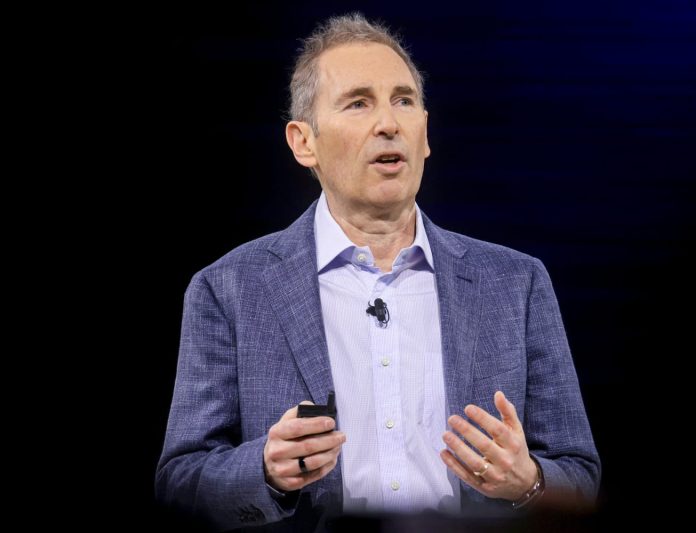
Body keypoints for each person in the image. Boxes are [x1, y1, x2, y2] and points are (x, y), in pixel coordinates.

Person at [155, 13, 600, 531]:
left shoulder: (515, 283)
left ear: (425, 133)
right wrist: (265, 471)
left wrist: (529, 483)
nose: (389, 123)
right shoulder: (229, 289)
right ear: (303, 142)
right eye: (358, 103)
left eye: (403, 101)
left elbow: (579, 475)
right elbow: (180, 482)